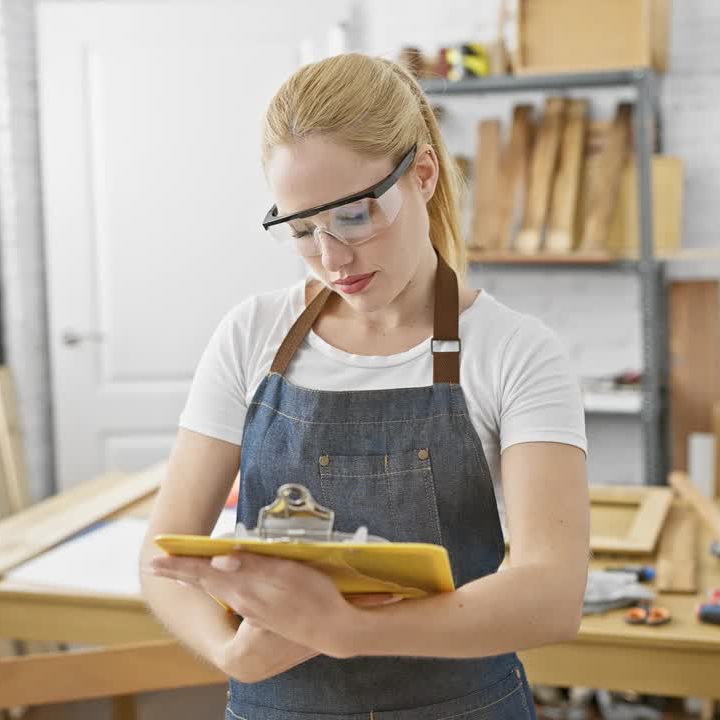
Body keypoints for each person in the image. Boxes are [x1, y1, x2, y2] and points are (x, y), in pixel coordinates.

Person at [141, 52, 589, 720]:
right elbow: (162, 554)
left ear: (424, 175)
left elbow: (551, 595)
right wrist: (230, 653)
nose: (332, 257)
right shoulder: (251, 336)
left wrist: (351, 631)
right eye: (301, 229)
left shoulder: (515, 351)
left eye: (353, 216)